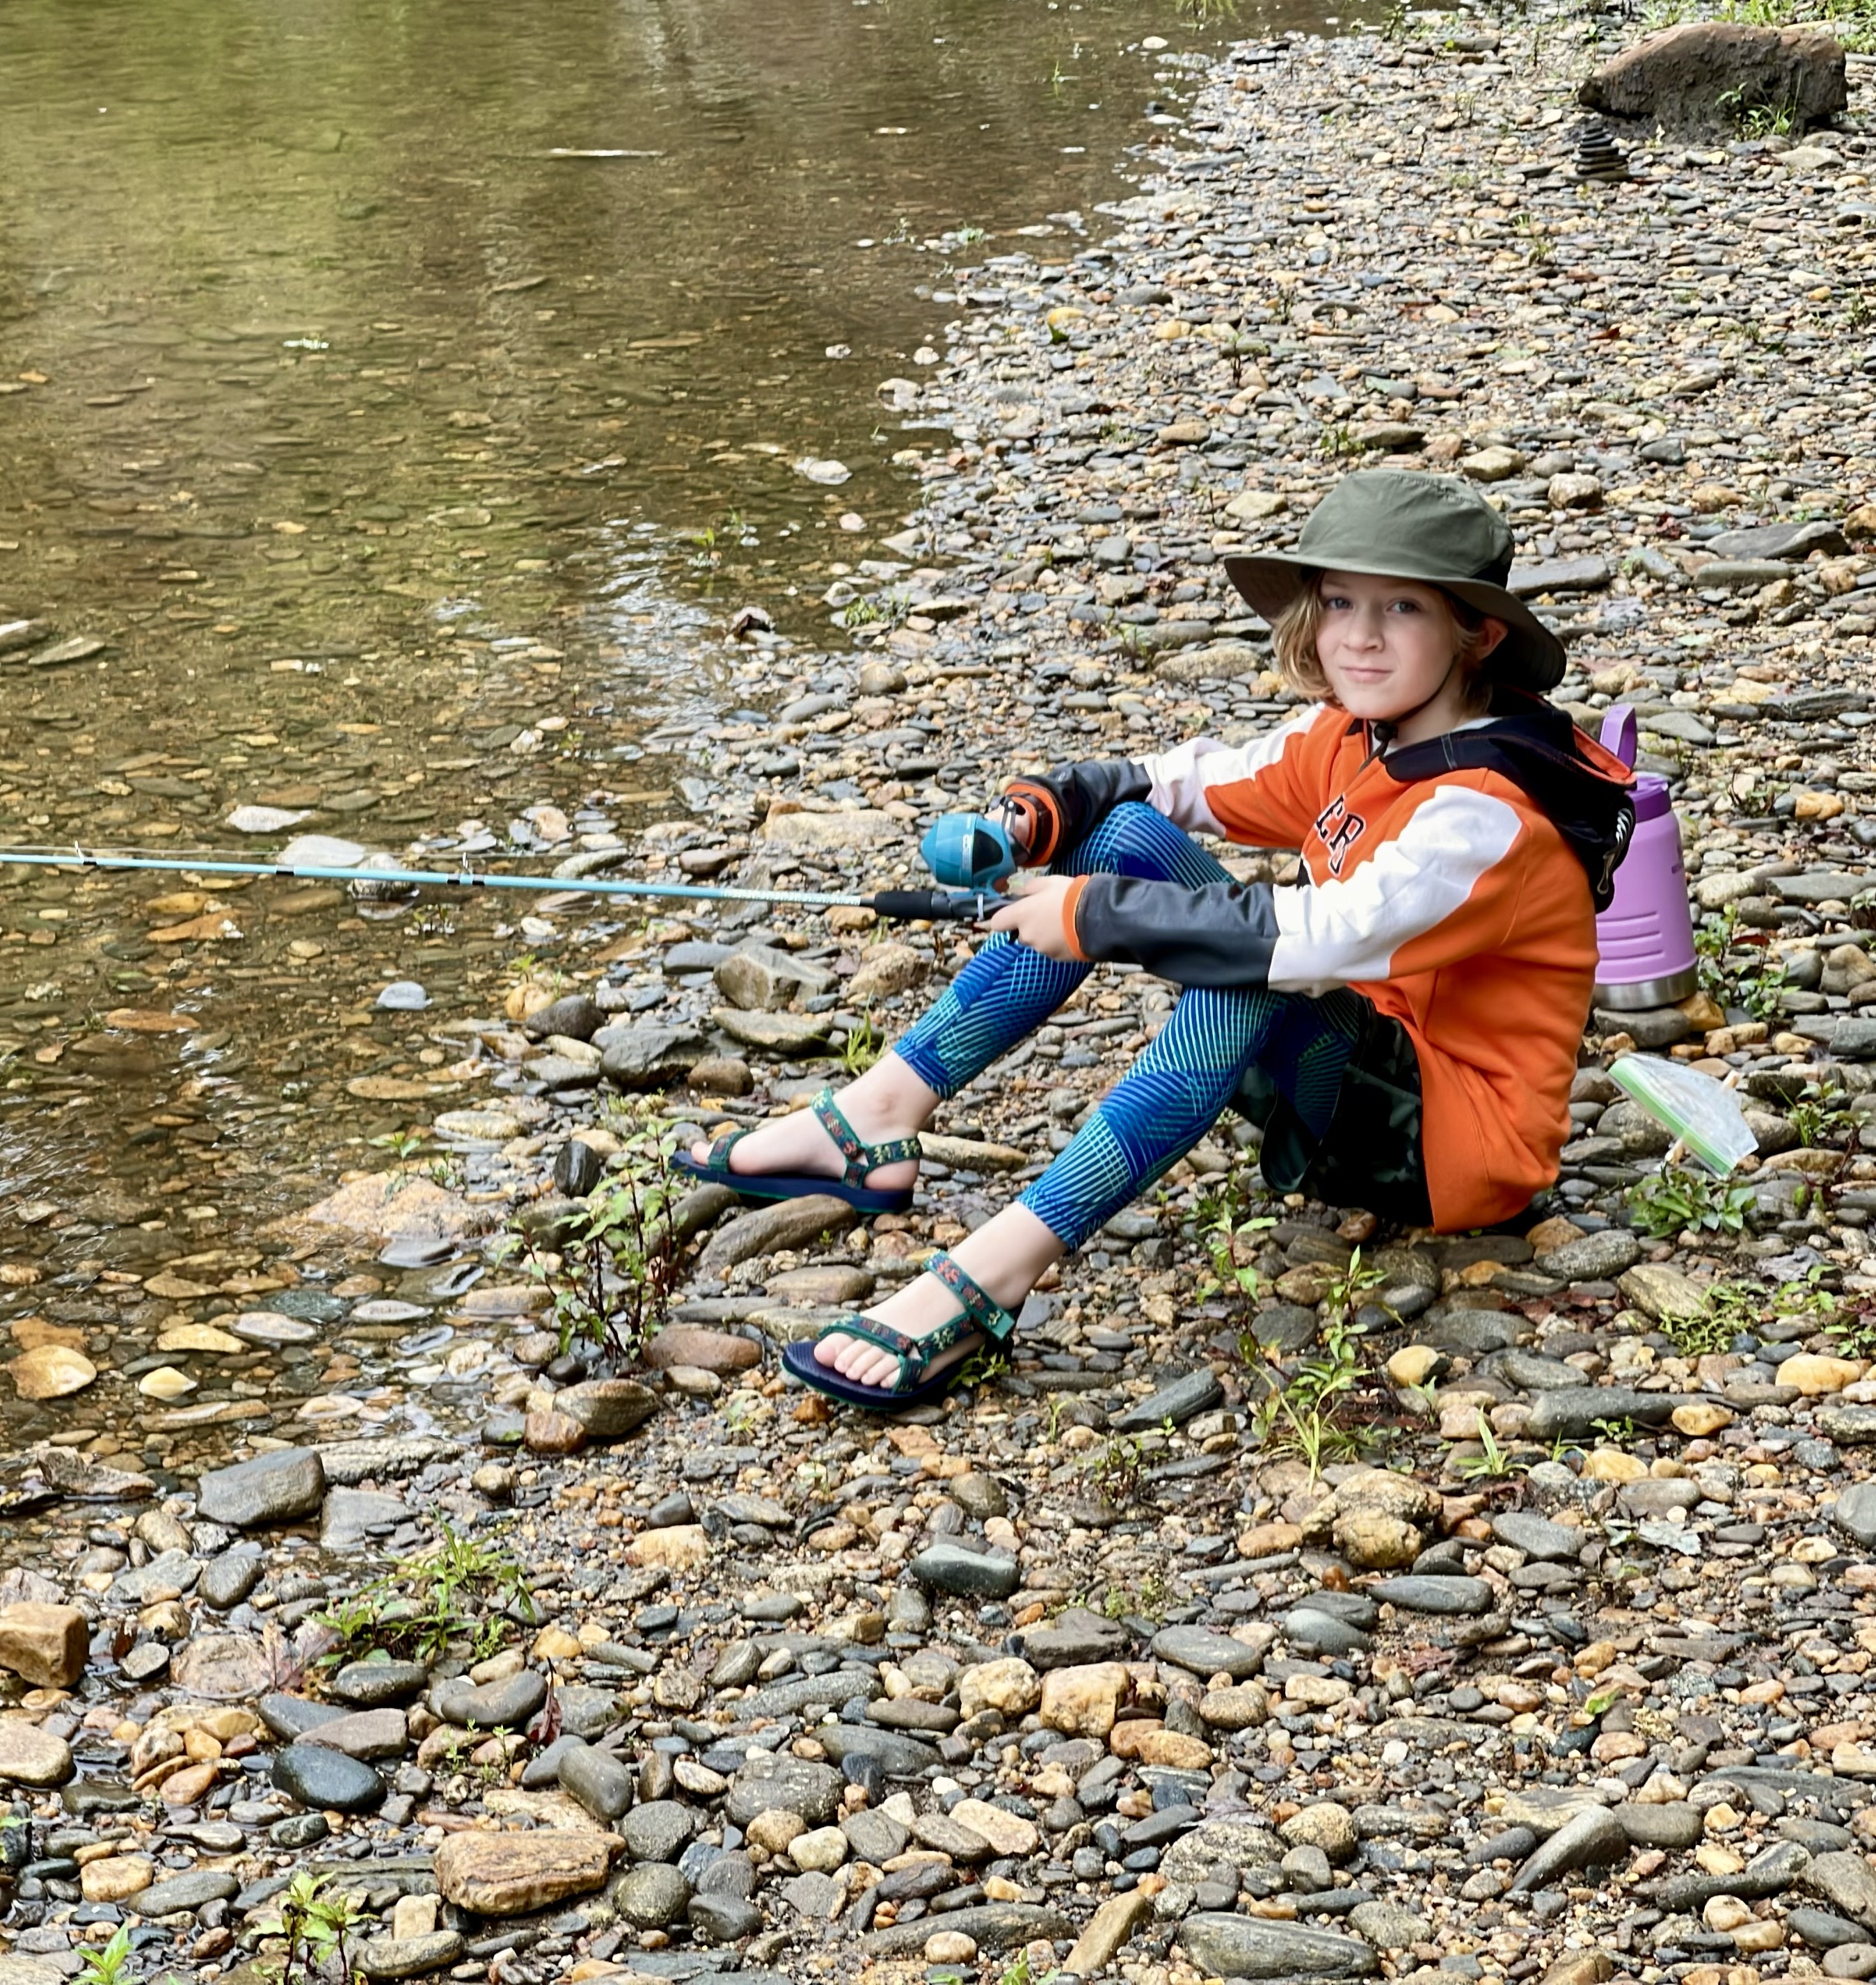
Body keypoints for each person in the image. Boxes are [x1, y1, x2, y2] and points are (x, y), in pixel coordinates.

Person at [674, 471, 1635, 1410]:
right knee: (1125, 836)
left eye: (1404, 609)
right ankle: (877, 1114)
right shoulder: (1363, 733)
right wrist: (1053, 810)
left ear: (1479, 633)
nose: (1360, 636)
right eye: (1341, 601)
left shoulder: (1484, 813)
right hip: (1364, 1067)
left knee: (1251, 972)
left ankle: (995, 1271)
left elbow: (1318, 935)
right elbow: (1183, 785)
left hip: (1450, 1148)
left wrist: (1092, 914)